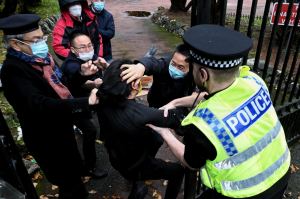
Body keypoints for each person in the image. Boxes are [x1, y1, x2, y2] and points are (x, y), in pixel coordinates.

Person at [147, 24, 291, 199]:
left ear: (203, 74)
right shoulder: (253, 81)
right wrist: (176, 102)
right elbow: (214, 96)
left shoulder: (202, 125)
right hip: (281, 172)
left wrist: (164, 132)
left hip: (244, 192)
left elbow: (190, 162)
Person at [0, 14, 100, 199]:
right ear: (15, 44)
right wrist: (86, 102)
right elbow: (40, 105)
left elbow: (62, 85)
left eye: (42, 37)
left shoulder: (43, 60)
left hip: (62, 129)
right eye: (36, 39)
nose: (42, 43)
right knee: (68, 184)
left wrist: (81, 74)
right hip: (46, 139)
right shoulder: (13, 71)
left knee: (73, 179)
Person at [96, 59, 185, 199]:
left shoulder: (101, 97)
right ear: (135, 84)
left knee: (156, 139)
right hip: (135, 165)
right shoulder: (142, 114)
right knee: (178, 171)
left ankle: (138, 182)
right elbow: (176, 120)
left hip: (116, 156)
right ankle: (139, 185)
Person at [61, 32, 108, 178]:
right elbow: (78, 77)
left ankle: (107, 135)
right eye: (82, 47)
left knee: (106, 106)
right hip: (73, 103)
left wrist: (105, 68)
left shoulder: (92, 57)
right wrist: (93, 82)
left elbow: (102, 70)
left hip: (90, 99)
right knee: (90, 131)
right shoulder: (70, 64)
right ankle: (90, 167)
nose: (87, 50)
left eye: (89, 46)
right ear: (73, 49)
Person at [121, 44, 195, 109]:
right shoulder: (164, 64)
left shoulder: (194, 76)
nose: (174, 69)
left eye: (180, 67)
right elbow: (153, 63)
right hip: (155, 102)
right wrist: (141, 66)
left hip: (178, 107)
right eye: (173, 63)